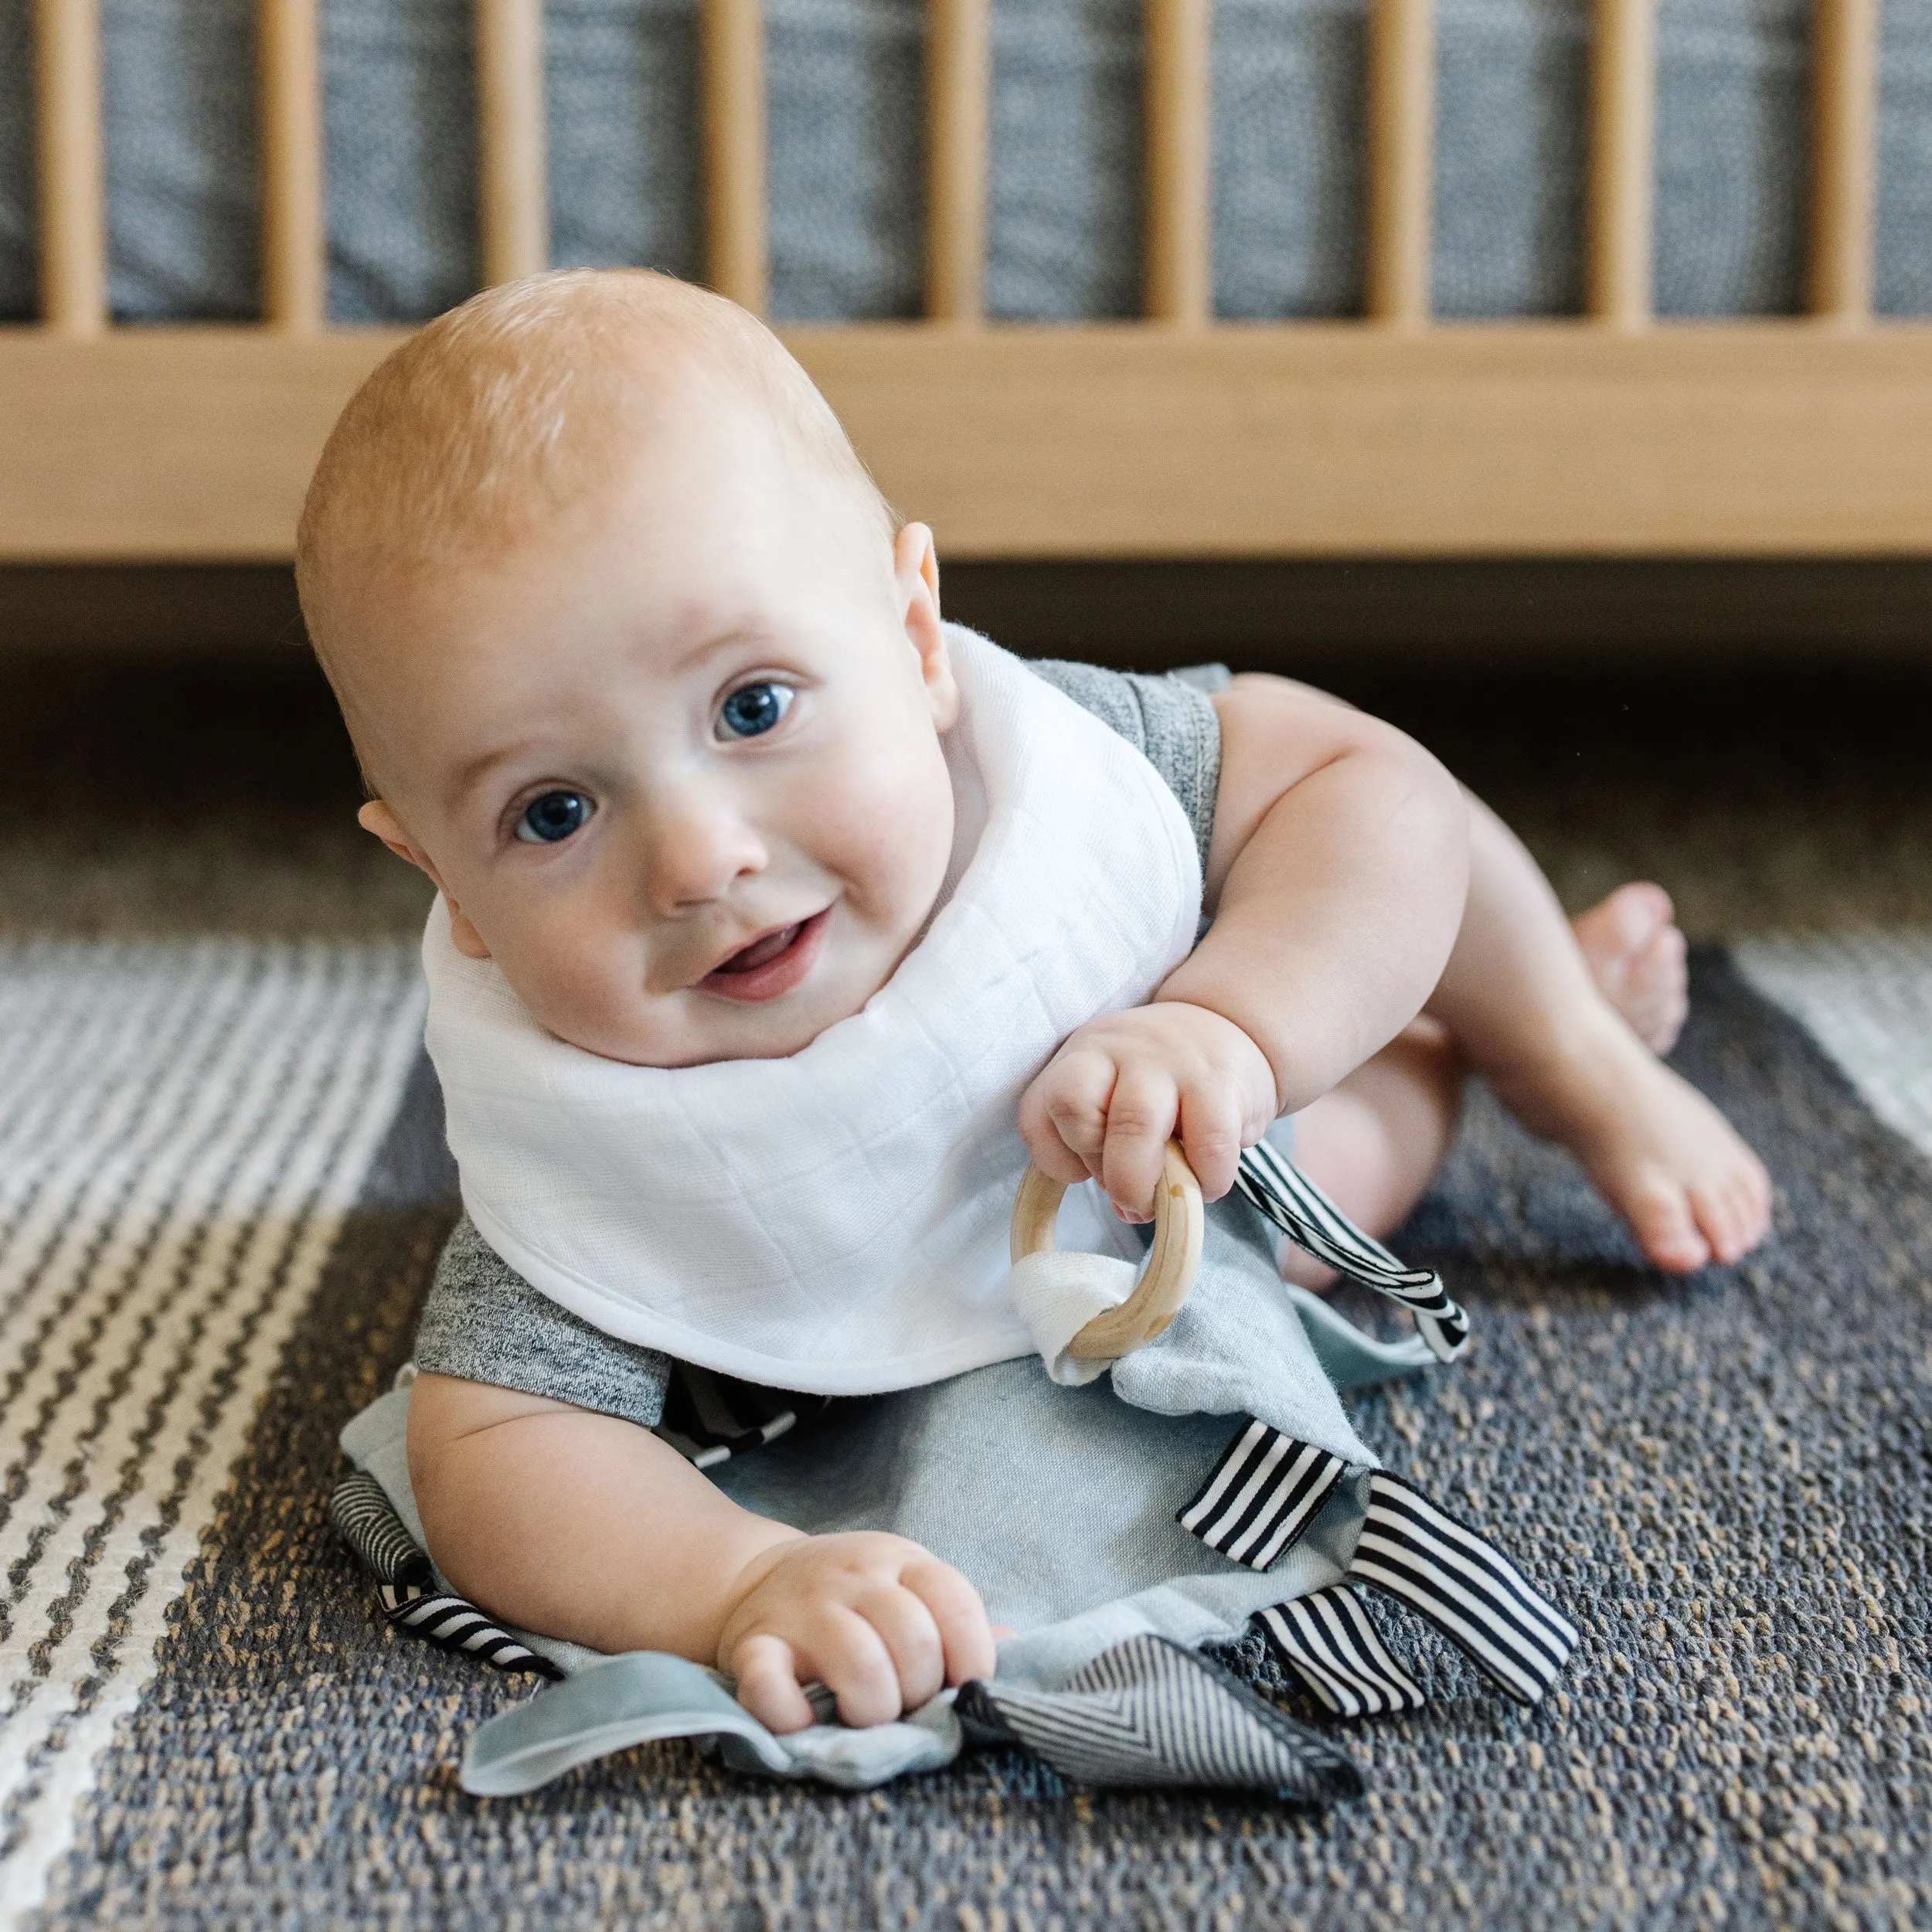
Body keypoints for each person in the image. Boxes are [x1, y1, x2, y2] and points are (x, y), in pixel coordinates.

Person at [297, 267, 1769, 1738]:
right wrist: (735, 1582)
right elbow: (492, 1449)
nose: (699, 862)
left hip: (1203, 1052)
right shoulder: (582, 1135)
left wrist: (1236, 1026)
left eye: (753, 708)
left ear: (916, 636)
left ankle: (1564, 1043)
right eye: (553, 813)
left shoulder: (1065, 782)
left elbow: (1364, 792)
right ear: (437, 874)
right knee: (1355, 1179)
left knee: (1403, 853)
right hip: (1185, 1231)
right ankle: (1445, 1057)